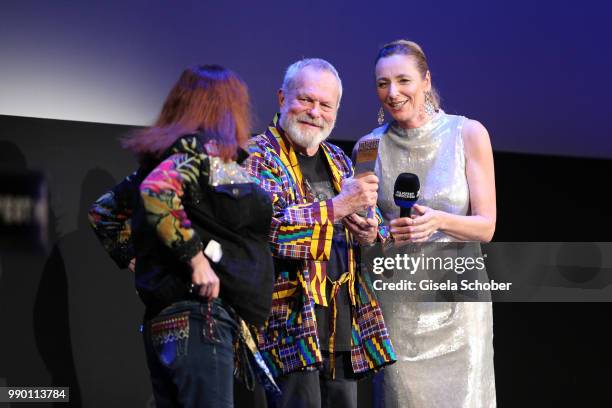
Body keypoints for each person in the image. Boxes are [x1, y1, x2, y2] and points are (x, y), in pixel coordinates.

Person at [88, 65, 277, 408]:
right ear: (228, 107)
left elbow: (102, 213)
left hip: (167, 320)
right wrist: (195, 259)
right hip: (200, 320)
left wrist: (148, 256)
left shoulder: (170, 157)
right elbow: (158, 191)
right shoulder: (199, 153)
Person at [244, 58, 397, 408]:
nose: (315, 112)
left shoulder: (340, 160)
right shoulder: (256, 155)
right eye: (305, 100)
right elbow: (271, 229)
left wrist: (371, 231)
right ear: (282, 99)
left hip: (341, 322)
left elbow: (373, 226)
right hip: (289, 324)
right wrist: (339, 208)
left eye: (325, 105)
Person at [354, 40, 497, 407]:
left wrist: (438, 220)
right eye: (382, 83)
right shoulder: (368, 149)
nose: (393, 92)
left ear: (426, 81)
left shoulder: (467, 134)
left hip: (459, 306)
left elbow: (486, 226)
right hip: (396, 308)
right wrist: (380, 232)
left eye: (403, 80)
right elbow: (364, 232)